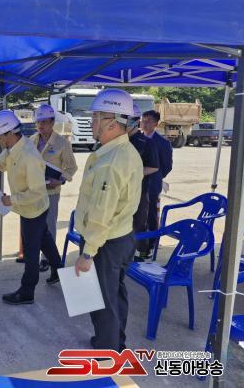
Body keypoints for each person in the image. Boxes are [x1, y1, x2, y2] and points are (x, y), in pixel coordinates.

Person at [0, 110, 62, 305]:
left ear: (9, 133)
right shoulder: (13, 148)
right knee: (44, 239)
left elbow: (37, 192)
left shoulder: (30, 156)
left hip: (34, 210)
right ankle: (58, 269)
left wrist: (11, 200)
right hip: (29, 208)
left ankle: (27, 292)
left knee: (31, 252)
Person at [73, 88, 143, 352]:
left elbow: (101, 214)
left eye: (96, 118)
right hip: (120, 236)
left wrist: (87, 253)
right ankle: (115, 343)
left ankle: (107, 352)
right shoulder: (123, 151)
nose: (91, 122)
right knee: (114, 294)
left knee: (102, 300)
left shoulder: (111, 161)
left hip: (105, 241)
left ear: (112, 123)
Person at [30, 104, 77, 272]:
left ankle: (46, 259)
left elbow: (71, 167)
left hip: (51, 192)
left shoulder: (62, 143)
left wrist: (60, 180)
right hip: (33, 191)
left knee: (48, 226)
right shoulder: (32, 140)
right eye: (38, 122)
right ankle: (33, 255)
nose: (40, 125)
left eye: (43, 122)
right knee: (32, 225)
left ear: (52, 122)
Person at [127, 104, 159, 262]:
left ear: (135, 121)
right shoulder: (120, 141)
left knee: (139, 223)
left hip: (139, 191)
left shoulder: (146, 142)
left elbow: (153, 167)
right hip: (121, 190)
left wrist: (133, 174)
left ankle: (141, 253)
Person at [140, 110, 173, 257]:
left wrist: (157, 176)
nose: (144, 123)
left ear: (155, 123)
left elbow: (167, 166)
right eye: (143, 120)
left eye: (148, 121)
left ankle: (151, 244)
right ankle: (138, 242)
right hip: (137, 183)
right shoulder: (138, 139)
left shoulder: (163, 143)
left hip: (152, 184)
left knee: (151, 214)